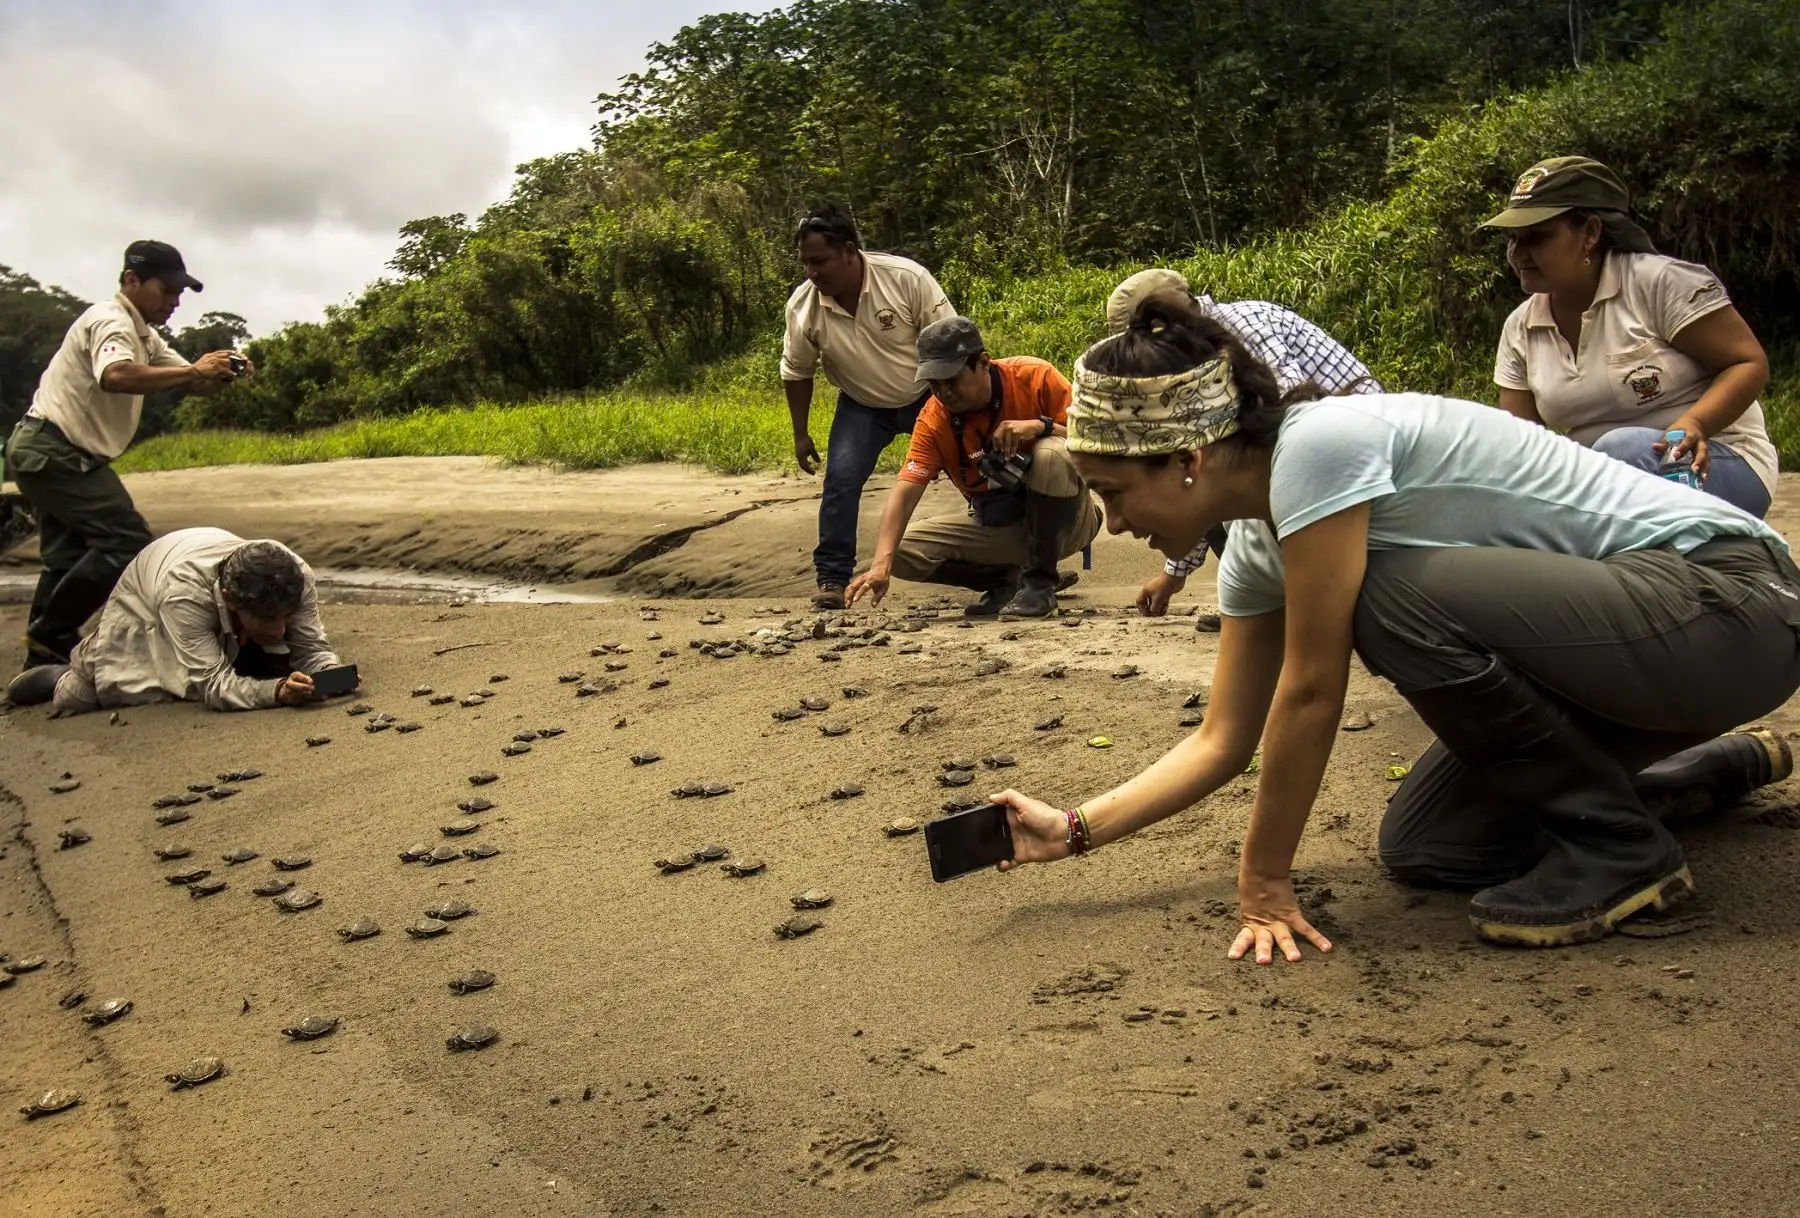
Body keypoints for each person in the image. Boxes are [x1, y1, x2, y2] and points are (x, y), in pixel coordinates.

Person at [988, 295, 1800, 961]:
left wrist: (1264, 881)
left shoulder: (1320, 447)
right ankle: (1674, 784)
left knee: (1383, 599)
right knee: (1431, 847)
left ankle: (1621, 848)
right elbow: (1223, 740)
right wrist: (1073, 829)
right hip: (1643, 660)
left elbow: (1311, 689)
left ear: (1187, 461)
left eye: (1114, 492)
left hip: (1734, 603)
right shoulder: (1260, 545)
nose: (1114, 524)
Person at [1484, 156, 1776, 517]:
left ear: (1590, 233)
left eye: (1536, 237)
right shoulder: (1520, 328)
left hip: (1712, 460)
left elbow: (1748, 362)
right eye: (1513, 239)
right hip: (1602, 483)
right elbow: (1524, 444)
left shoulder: (1660, 284)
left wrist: (1696, 423)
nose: (1518, 253)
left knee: (1621, 451)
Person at [4, 240, 249, 670]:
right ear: (131, 279)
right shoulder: (111, 321)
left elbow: (192, 383)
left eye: (178, 293)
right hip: (56, 451)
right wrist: (194, 370)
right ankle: (51, 634)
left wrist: (224, 372)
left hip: (45, 451)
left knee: (66, 559)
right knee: (126, 543)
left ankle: (41, 659)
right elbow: (115, 375)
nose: (174, 302)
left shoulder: (145, 337)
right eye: (166, 290)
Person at [1105, 269, 1383, 627]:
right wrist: (1173, 576)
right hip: (1321, 454)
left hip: (1360, 452)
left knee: (1223, 474)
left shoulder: (1241, 326)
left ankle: (1295, 604)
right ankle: (1269, 603)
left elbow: (1295, 416)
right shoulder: (1198, 356)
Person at [844, 317, 1101, 618]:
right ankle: (1008, 581)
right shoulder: (934, 419)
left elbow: (1097, 441)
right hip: (1001, 525)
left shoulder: (1034, 376)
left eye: (951, 380)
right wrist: (880, 566)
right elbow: (905, 492)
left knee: (1051, 454)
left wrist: (1041, 426)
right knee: (896, 551)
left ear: (983, 363)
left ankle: (1039, 585)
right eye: (934, 383)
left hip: (1068, 523)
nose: (943, 392)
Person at [780, 205, 956, 609]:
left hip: (928, 394)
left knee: (975, 466)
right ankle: (832, 578)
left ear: (848, 252)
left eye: (819, 261)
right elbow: (797, 370)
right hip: (862, 404)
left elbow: (950, 343)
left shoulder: (905, 279)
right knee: (841, 480)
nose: (811, 272)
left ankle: (1021, 563)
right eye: (805, 263)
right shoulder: (803, 307)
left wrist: (962, 411)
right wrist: (800, 434)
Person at [5, 527, 347, 715]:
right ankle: (59, 674)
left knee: (268, 660)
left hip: (200, 558)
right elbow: (214, 686)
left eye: (287, 615)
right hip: (148, 597)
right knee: (80, 695)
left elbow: (312, 649)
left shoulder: (295, 575)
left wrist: (333, 675)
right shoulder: (183, 594)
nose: (280, 629)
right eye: (269, 618)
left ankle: (246, 648)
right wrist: (278, 691)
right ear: (229, 599)